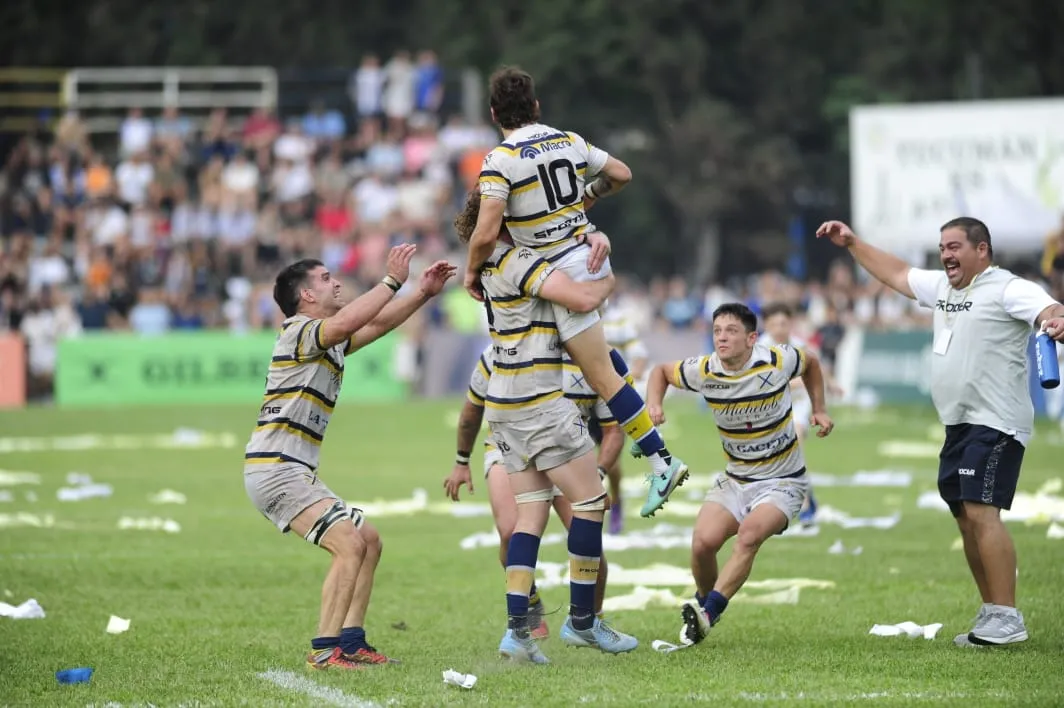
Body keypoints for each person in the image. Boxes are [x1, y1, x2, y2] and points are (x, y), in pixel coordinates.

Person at [817, 217, 1064, 646]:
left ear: (981, 250)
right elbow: (896, 273)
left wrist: (1056, 318)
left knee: (982, 511)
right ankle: (992, 613)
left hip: (997, 422)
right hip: (958, 423)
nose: (946, 255)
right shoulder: (945, 289)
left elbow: (1048, 309)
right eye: (942, 247)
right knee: (965, 517)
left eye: (954, 247)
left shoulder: (1007, 287)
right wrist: (853, 244)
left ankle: (1008, 616)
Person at [462, 66, 688, 518]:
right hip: (582, 260)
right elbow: (621, 174)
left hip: (561, 274)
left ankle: (663, 461)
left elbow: (486, 232)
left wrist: (470, 272)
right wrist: (585, 200)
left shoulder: (500, 161)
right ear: (537, 107)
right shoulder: (568, 140)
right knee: (597, 366)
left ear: (493, 113)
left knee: (601, 377)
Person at [243, 248, 456, 670]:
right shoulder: (299, 331)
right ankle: (324, 651)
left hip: (293, 469)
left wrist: (422, 295)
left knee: (369, 541)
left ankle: (352, 641)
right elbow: (348, 322)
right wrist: (392, 281)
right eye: (325, 278)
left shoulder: (326, 337)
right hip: (276, 470)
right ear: (305, 294)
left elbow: (373, 325)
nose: (335, 282)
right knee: (349, 544)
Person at [462, 205, 639, 663]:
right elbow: (582, 300)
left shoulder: (486, 267)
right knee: (591, 502)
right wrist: (607, 277)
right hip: (540, 398)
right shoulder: (520, 261)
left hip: (504, 405)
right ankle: (583, 622)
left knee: (529, 517)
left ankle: (517, 634)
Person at [643, 303, 834, 645]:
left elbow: (813, 364)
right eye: (717, 331)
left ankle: (709, 612)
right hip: (735, 478)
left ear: (751, 338)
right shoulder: (705, 369)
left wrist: (819, 409)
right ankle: (703, 609)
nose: (722, 338)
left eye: (731, 331)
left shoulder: (777, 360)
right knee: (702, 544)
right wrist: (655, 405)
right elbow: (660, 372)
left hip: (783, 481)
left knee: (748, 536)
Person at [442, 343, 626, 639]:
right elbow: (471, 410)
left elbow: (614, 430)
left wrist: (598, 475)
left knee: (588, 540)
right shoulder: (498, 352)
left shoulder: (592, 355)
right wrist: (461, 461)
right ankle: (530, 604)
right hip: (510, 449)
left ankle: (592, 619)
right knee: (509, 531)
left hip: (566, 451)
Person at [759, 302, 844, 526]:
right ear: (766, 325)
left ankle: (804, 507)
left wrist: (832, 383)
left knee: (795, 443)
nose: (779, 328)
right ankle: (808, 497)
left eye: (784, 323)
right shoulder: (760, 351)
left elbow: (816, 366)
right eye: (774, 323)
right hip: (773, 406)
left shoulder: (799, 346)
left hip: (799, 404)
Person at [599, 300, 650, 533]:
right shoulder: (569, 313)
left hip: (610, 401)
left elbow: (639, 355)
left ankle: (616, 501)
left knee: (611, 463)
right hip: (578, 401)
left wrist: (629, 380)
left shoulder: (619, 320)